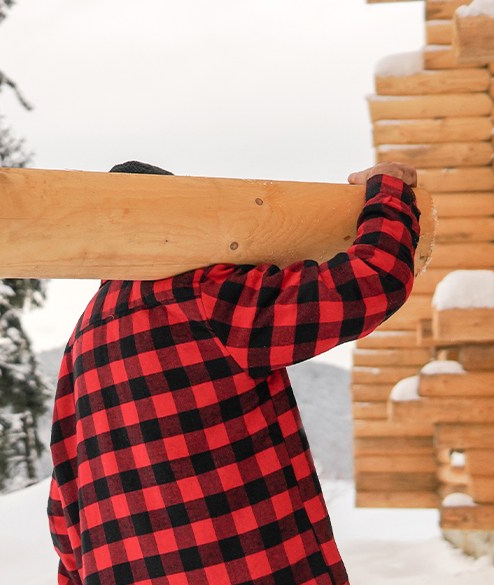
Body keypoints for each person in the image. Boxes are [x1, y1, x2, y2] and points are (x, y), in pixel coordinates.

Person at [46, 161, 421, 585]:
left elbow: (65, 506)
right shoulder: (206, 296)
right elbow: (370, 281)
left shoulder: (83, 336)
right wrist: (388, 193)